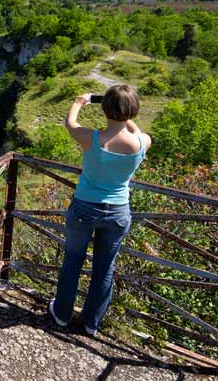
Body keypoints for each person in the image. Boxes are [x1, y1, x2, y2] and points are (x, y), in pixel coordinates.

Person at [48, 84, 151, 336]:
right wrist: (127, 119)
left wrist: (79, 101)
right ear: (133, 112)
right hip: (117, 212)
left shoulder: (91, 139)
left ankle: (61, 314)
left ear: (104, 109)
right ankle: (91, 323)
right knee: (105, 268)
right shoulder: (142, 142)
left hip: (84, 207)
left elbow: (70, 122)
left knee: (73, 261)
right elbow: (137, 131)